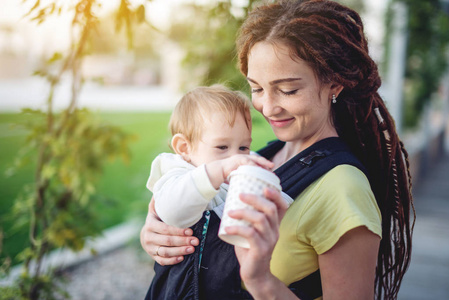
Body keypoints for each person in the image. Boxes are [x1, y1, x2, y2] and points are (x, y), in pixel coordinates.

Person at [140, 1, 415, 299]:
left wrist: (261, 280)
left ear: (334, 84)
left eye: (288, 90)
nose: (267, 107)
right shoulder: (267, 156)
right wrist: (157, 232)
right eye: (257, 88)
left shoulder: (343, 191)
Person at [144, 84, 285, 299]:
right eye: (222, 148)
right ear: (184, 148)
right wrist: (218, 170)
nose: (234, 158)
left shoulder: (233, 174)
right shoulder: (176, 175)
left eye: (243, 147)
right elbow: (173, 211)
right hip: (179, 291)